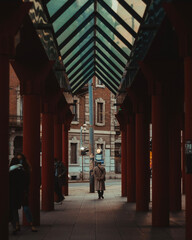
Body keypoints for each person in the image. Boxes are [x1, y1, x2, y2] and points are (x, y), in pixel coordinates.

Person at [16, 153, 37, 232]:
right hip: (20, 191)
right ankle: (17, 225)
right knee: (16, 209)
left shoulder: (25, 169)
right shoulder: (22, 169)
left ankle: (31, 223)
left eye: (20, 159)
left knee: (25, 207)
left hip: (22, 191)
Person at [9, 157, 25, 234]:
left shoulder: (11, 172)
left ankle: (15, 225)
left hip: (11, 193)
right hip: (19, 194)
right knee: (14, 210)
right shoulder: (22, 170)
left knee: (12, 210)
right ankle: (17, 224)